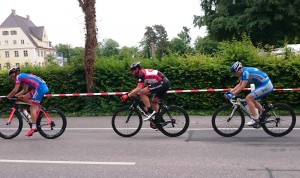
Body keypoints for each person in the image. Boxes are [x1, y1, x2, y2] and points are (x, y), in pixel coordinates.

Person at [225, 61, 274, 126]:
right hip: (264, 85)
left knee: (248, 98)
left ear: (239, 70)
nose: (235, 75)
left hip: (266, 85)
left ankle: (255, 119)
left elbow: (242, 86)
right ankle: (264, 113)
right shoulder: (244, 72)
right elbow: (239, 84)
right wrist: (230, 92)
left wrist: (232, 94)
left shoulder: (245, 72)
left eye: (235, 73)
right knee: (252, 99)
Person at [6, 66, 49, 136]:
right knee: (25, 98)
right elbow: (25, 90)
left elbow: (15, 90)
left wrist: (7, 97)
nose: (12, 79)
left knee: (32, 108)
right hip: (40, 87)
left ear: (13, 74)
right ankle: (38, 109)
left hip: (40, 88)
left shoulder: (18, 77)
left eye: (11, 77)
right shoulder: (23, 76)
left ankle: (34, 127)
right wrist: (15, 96)